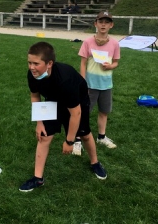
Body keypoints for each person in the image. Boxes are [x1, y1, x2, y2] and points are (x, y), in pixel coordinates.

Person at [19, 41, 107, 192]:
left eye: (36, 63)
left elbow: (75, 113)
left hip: (77, 102)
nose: (31, 67)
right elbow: (35, 96)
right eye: (29, 63)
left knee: (85, 135)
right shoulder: (32, 75)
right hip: (53, 101)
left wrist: (69, 141)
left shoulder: (65, 80)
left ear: (49, 63)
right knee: (44, 136)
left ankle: (95, 163)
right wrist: (39, 123)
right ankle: (38, 179)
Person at [78, 11, 120, 149]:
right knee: (84, 112)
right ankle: (77, 139)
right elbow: (83, 63)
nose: (103, 24)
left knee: (104, 111)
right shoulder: (88, 42)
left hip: (106, 84)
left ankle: (101, 137)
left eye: (107, 22)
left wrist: (110, 66)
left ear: (111, 25)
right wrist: (82, 82)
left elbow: (115, 63)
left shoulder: (114, 43)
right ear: (95, 24)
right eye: (100, 21)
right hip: (90, 85)